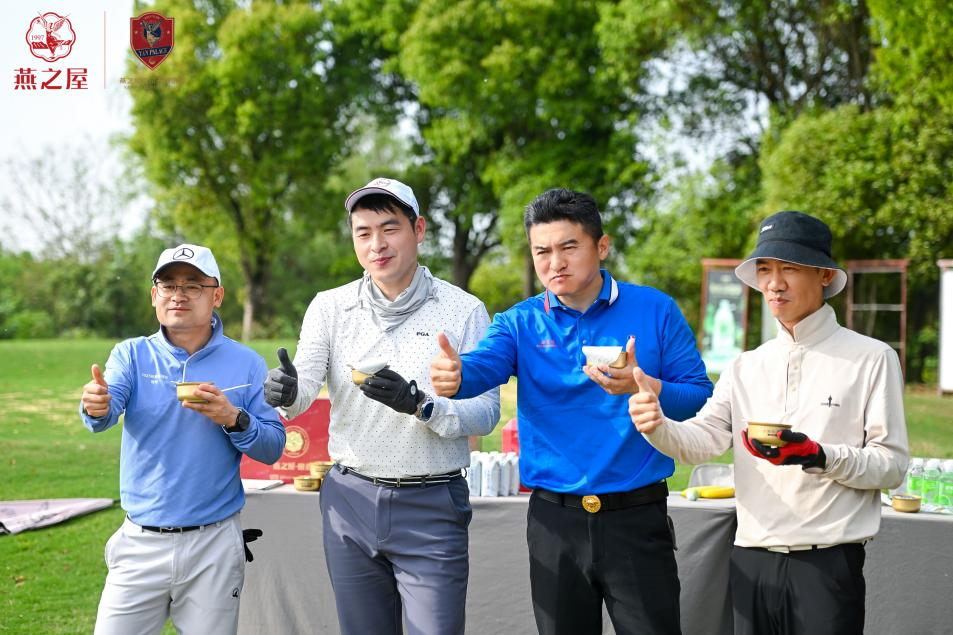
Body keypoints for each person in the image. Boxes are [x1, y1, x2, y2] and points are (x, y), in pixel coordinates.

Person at [430, 188, 713, 635]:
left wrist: (645, 384)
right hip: (553, 521)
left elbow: (698, 396)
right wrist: (458, 375)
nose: (555, 263)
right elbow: (484, 365)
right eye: (541, 251)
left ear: (602, 246)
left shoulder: (655, 309)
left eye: (569, 247)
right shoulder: (519, 321)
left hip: (638, 515)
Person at [629, 211, 909, 635]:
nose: (774, 284)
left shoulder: (872, 358)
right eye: (764, 270)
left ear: (825, 275)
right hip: (751, 558)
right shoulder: (745, 366)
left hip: (828, 564)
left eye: (789, 268)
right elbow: (704, 439)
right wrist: (658, 426)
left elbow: (891, 466)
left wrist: (819, 456)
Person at [263, 177, 500, 635]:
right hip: (349, 500)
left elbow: (487, 412)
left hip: (432, 503)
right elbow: (303, 385)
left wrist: (421, 405)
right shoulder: (330, 307)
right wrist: (287, 392)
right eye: (364, 232)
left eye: (390, 228)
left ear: (419, 229)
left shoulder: (464, 310)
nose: (377, 244)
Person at [79, 243, 286, 634]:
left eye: (193, 285)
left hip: (214, 544)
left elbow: (273, 446)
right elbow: (105, 408)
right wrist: (95, 405)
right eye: (168, 285)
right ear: (154, 295)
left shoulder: (246, 362)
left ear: (217, 296)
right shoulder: (131, 354)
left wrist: (233, 419)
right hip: (140, 542)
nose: (179, 294)